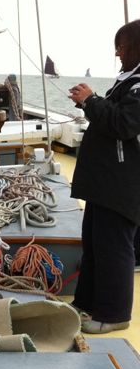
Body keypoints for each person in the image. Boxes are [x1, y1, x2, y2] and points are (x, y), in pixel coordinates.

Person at [68, 19, 140, 334]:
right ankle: (85, 304)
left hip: (121, 184)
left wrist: (91, 101)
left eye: (122, 47)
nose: (118, 53)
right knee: (96, 245)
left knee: (114, 248)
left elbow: (124, 125)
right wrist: (90, 105)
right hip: (107, 183)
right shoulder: (130, 81)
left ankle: (113, 314)